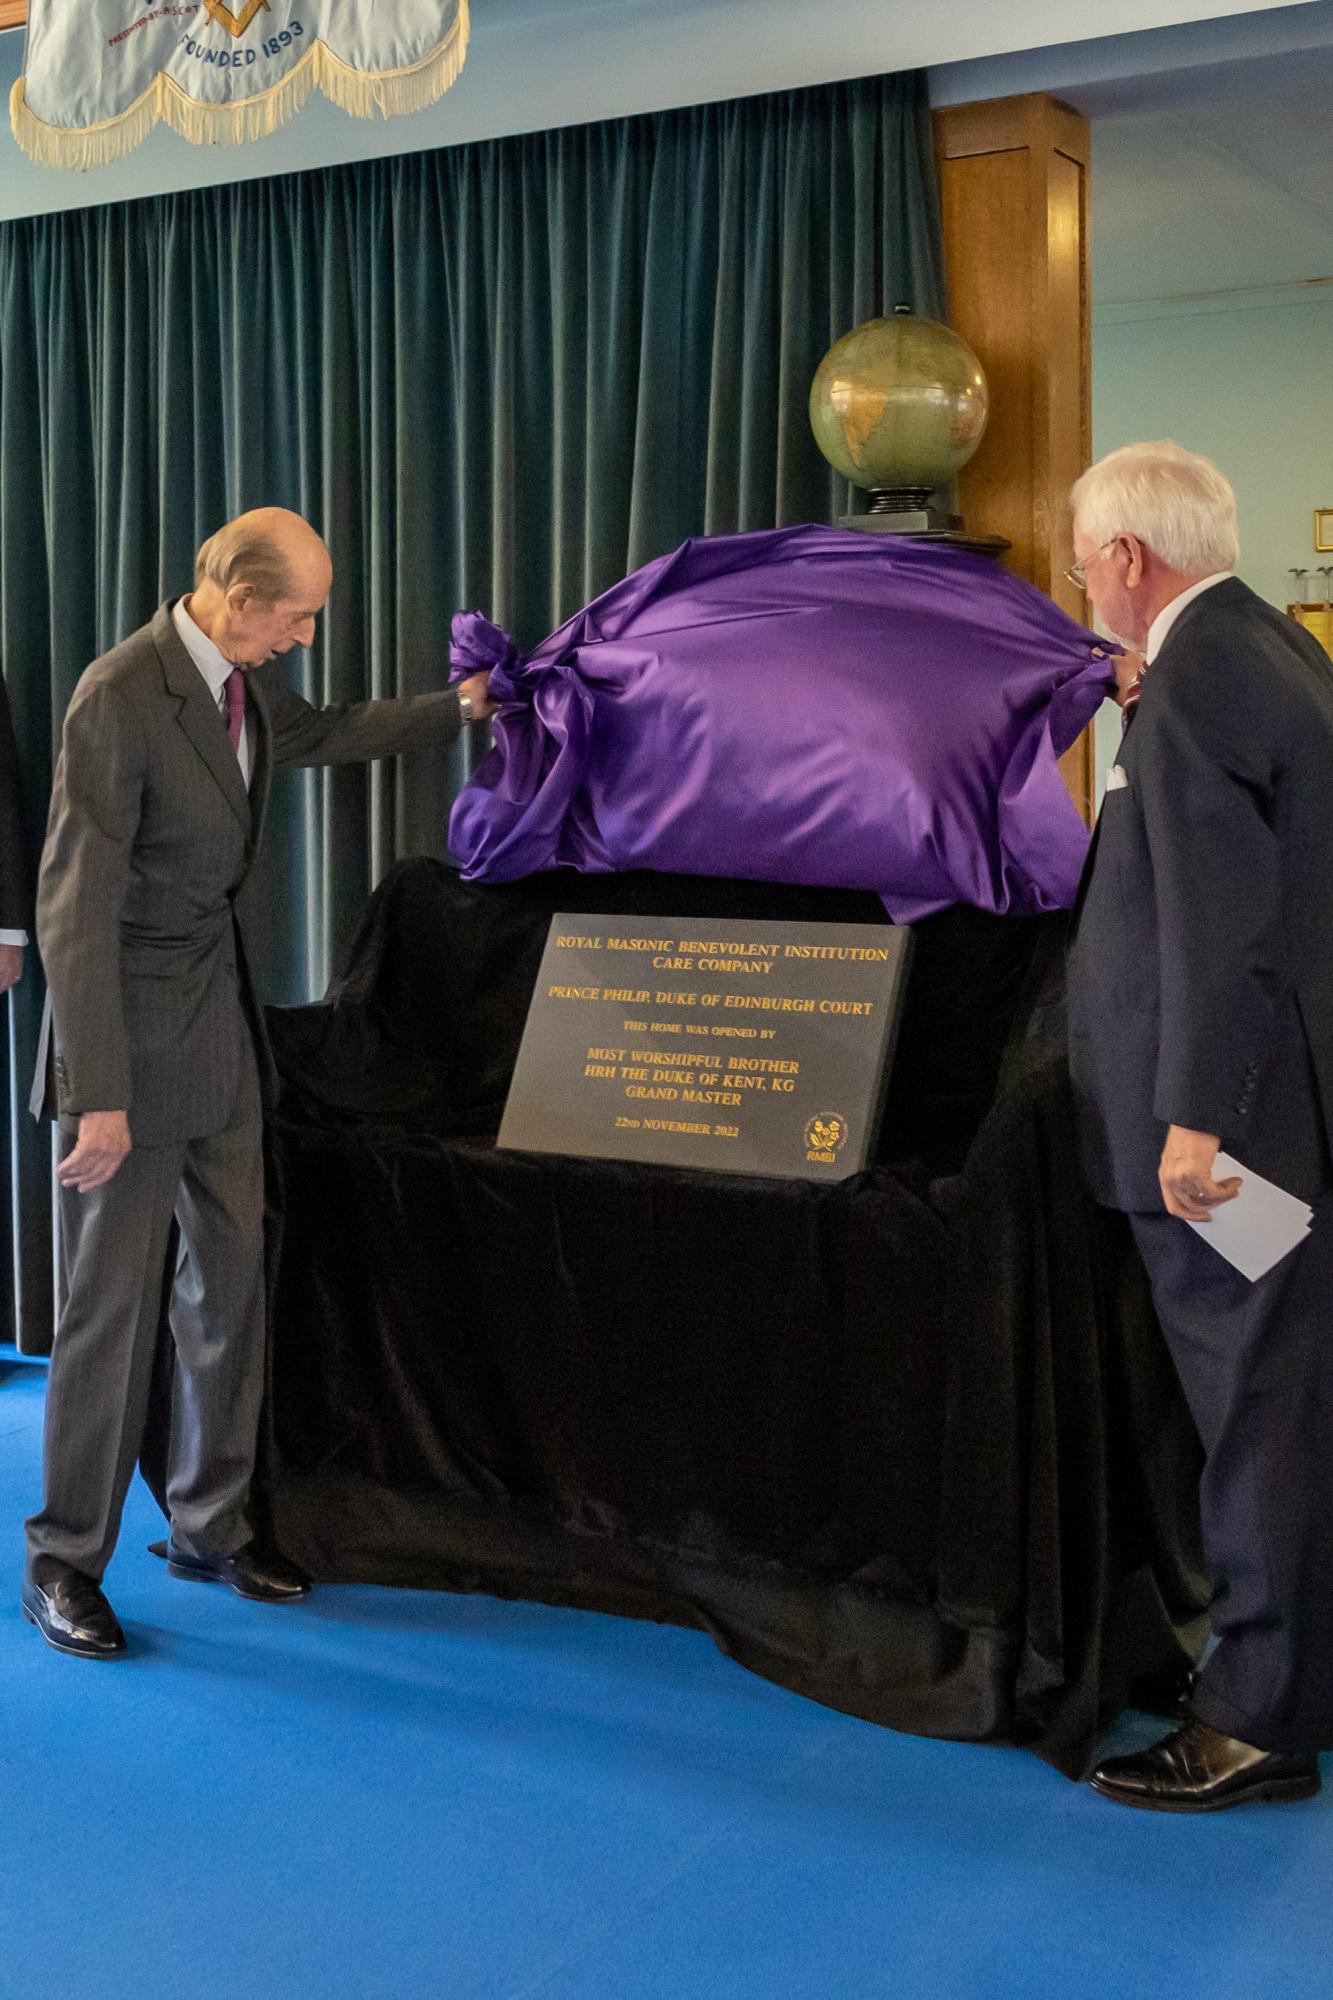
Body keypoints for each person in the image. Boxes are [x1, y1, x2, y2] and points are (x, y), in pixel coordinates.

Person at [22, 508, 497, 1659]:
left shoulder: (241, 687)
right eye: (296, 613)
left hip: (222, 1033)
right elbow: (71, 905)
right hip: (127, 1047)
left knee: (229, 1283)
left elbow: (330, 730)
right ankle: (64, 1556)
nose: (304, 632)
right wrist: (98, 1089)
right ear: (238, 596)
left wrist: (460, 710)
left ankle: (209, 1521)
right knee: (109, 1312)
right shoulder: (120, 694)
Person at [1065, 441, 1333, 1811]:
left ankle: (1257, 1717)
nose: (1074, 578)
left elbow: (1224, 932)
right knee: (1274, 1395)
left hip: (1228, 1137)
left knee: (1255, 1406)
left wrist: (1192, 1126)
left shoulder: (1198, 679)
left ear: (1125, 558)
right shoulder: (1263, 649)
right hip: (1270, 1111)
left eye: (1077, 554)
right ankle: (1278, 1671)